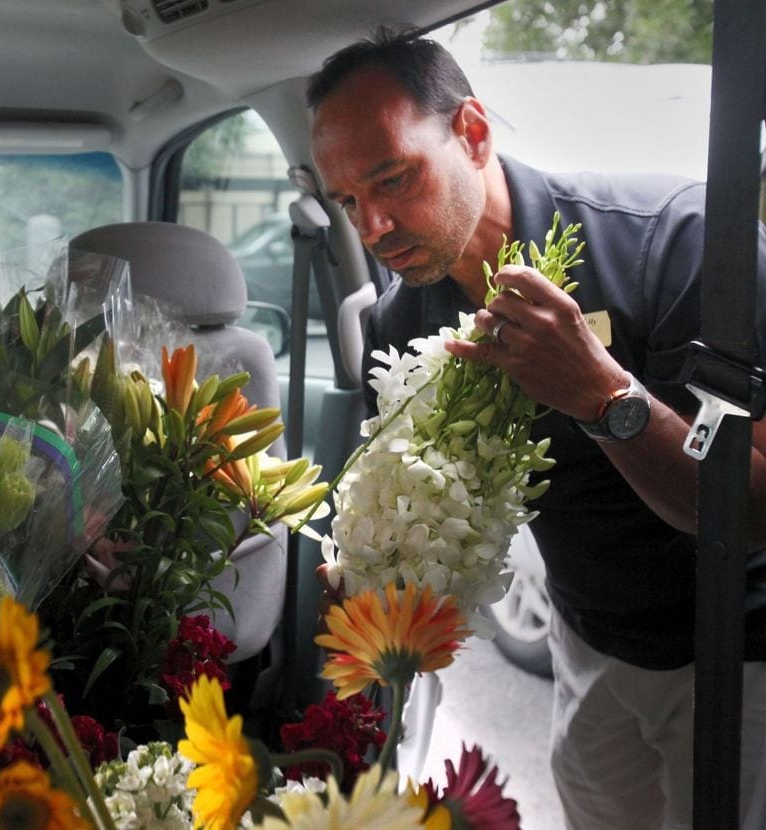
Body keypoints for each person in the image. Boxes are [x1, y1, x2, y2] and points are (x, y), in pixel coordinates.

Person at [306, 32, 766, 829]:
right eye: (348, 202)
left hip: (737, 652)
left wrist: (604, 398)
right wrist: (378, 574)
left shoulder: (674, 242)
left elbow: (750, 503)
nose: (373, 225)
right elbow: (439, 505)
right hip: (585, 645)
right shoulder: (399, 318)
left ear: (474, 133)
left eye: (392, 177)